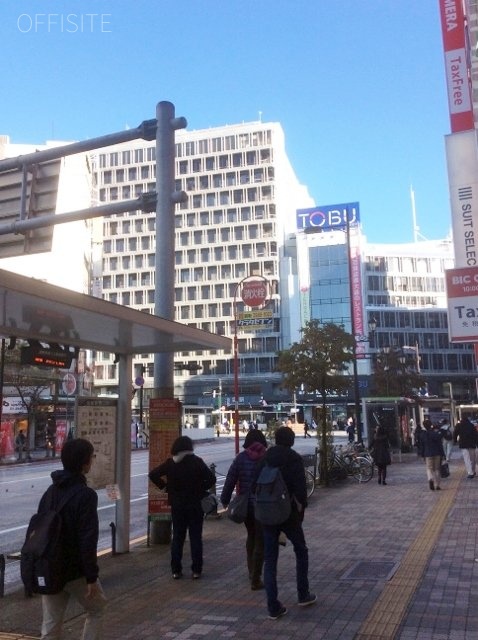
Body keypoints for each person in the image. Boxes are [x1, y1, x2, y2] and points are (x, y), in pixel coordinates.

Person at [39, 438, 106, 640]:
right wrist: (91, 577)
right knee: (97, 609)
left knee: (51, 624)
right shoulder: (86, 495)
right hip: (75, 569)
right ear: (85, 462)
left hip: (50, 565)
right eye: (91, 457)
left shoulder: (51, 491)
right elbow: (87, 538)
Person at [254, 426, 316, 619]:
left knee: (270, 559)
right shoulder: (293, 458)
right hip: (288, 514)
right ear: (291, 440)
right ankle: (303, 593)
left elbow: (256, 482)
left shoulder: (265, 457)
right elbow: (300, 488)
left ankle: (273, 606)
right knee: (301, 550)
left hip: (267, 513)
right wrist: (301, 507)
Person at [149, 436, 215, 579]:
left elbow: (152, 474)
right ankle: (196, 570)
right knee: (196, 537)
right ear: (189, 447)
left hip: (177, 506)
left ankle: (176, 570)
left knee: (178, 537)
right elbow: (211, 479)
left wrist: (165, 487)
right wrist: (200, 489)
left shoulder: (171, 463)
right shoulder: (197, 462)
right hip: (195, 505)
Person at [220, 429, 267, 590]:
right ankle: (256, 577)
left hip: (246, 506)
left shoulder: (241, 458)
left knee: (251, 536)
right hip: (263, 504)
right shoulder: (267, 457)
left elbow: (230, 478)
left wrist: (225, 499)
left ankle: (251, 572)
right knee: (261, 540)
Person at [419, 418, 445, 491]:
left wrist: (422, 455)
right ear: (431, 425)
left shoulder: (422, 435)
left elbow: (422, 446)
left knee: (429, 468)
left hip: (427, 454)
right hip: (437, 453)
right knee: (437, 469)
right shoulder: (435, 434)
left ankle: (430, 479)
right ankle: (437, 485)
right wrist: (443, 454)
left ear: (424, 426)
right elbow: (440, 444)